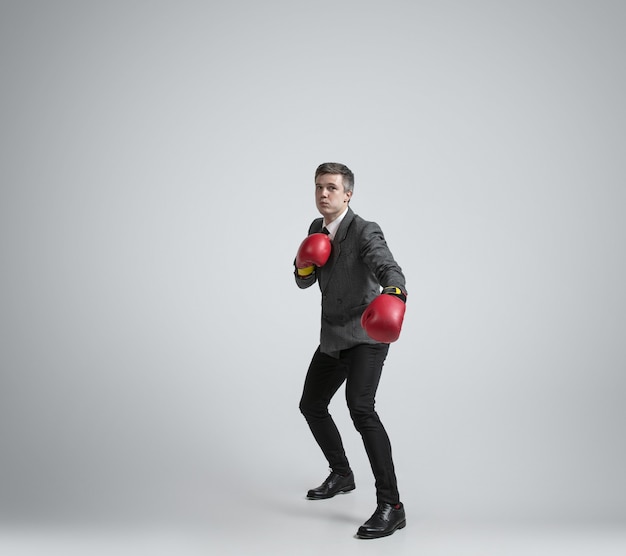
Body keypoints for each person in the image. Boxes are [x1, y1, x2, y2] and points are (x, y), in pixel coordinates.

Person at [294, 162, 407, 539]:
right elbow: (303, 281)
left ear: (347, 194)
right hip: (332, 337)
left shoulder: (364, 231)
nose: (323, 194)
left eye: (331, 188)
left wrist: (394, 293)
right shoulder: (316, 229)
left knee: (360, 408)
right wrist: (304, 266)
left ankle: (391, 506)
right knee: (311, 404)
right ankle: (342, 473)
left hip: (366, 337)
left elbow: (389, 267)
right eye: (318, 188)